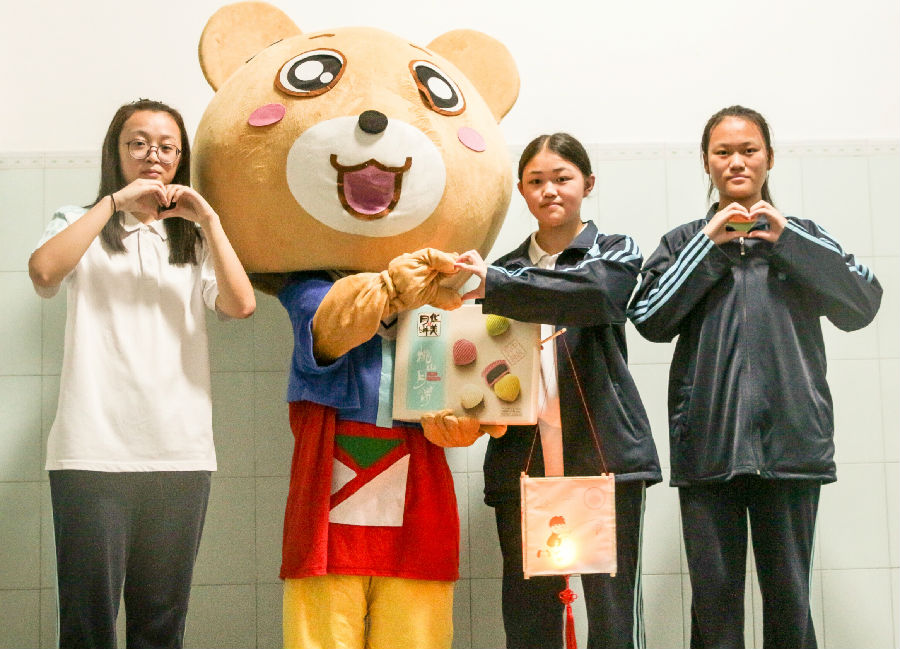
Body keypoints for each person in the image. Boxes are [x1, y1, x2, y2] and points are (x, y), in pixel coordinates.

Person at [627, 105, 882, 648]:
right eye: (723, 152)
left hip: (792, 446)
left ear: (769, 157)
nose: (736, 162)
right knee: (714, 610)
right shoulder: (683, 242)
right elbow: (648, 318)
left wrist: (787, 240)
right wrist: (709, 245)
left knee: (790, 604)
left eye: (749, 150)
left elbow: (863, 303)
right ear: (706, 162)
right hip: (707, 448)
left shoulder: (803, 236)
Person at [28, 98, 256, 649]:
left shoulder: (193, 240)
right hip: (91, 452)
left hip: (179, 452)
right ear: (116, 152)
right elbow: (44, 273)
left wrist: (210, 220)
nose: (153, 155)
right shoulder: (79, 221)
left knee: (161, 625)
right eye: (138, 143)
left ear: (180, 159)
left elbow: (241, 304)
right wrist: (113, 203)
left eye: (166, 147)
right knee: (87, 625)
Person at [455, 133, 661, 649]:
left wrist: (498, 286)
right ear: (521, 191)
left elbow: (598, 294)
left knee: (614, 622)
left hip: (606, 457)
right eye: (536, 181)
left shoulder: (613, 251)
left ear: (587, 184)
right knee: (528, 622)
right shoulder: (501, 269)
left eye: (562, 178)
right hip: (521, 463)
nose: (549, 190)